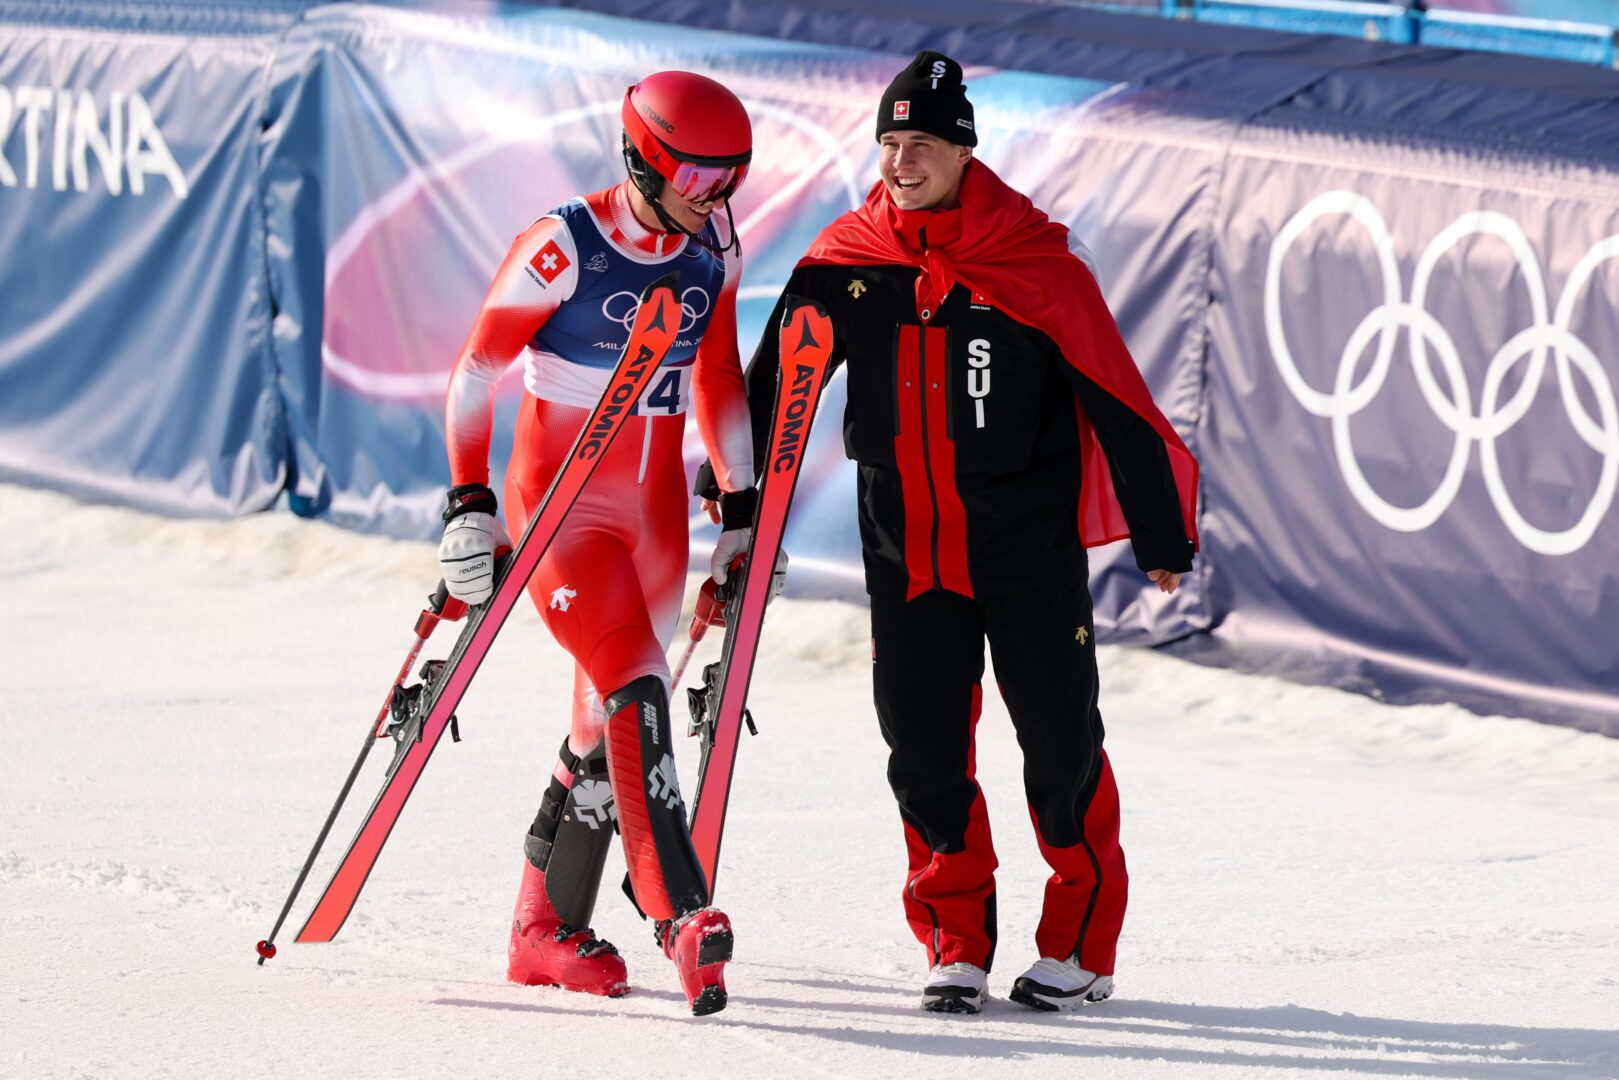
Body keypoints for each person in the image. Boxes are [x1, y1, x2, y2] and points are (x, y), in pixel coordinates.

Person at [700, 51, 1199, 1014]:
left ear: (963, 151)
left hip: (1026, 554)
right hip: (907, 553)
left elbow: (1116, 396)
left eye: (919, 144)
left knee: (1059, 745)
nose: (898, 162)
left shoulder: (1036, 261)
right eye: (888, 144)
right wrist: (735, 495)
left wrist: (1160, 533)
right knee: (923, 752)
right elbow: (774, 387)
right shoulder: (850, 262)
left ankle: (1081, 948)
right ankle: (953, 941)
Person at [436, 70, 781, 1017]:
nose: (717, 199)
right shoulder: (562, 246)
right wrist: (468, 503)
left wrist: (741, 513)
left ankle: (540, 932)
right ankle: (678, 912)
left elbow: (713, 376)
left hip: (656, 514)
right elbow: (475, 371)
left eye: (732, 180)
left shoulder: (713, 244)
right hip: (564, 514)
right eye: (702, 177)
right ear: (644, 157)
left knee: (604, 731)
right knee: (637, 689)